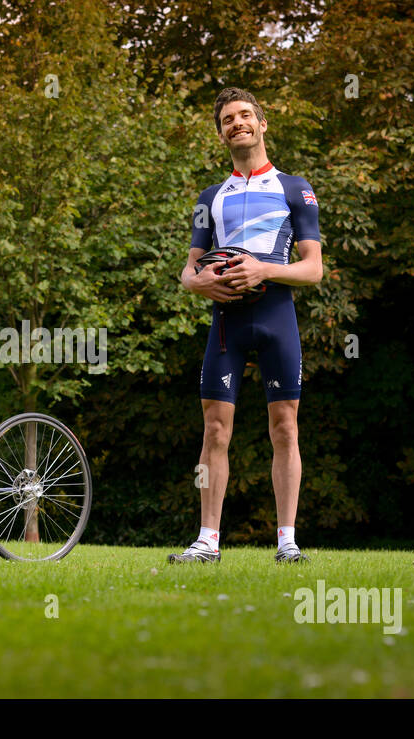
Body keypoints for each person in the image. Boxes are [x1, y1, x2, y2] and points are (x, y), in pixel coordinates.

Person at [169, 87, 323, 564]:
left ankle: (287, 542)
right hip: (226, 324)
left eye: (244, 115)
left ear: (261, 123)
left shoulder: (295, 187)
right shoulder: (210, 197)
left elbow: (313, 269)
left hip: (276, 317)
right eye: (227, 120)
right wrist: (199, 285)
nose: (237, 123)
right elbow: (187, 271)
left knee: (285, 428)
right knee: (215, 431)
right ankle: (207, 543)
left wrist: (263, 270)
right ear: (221, 134)